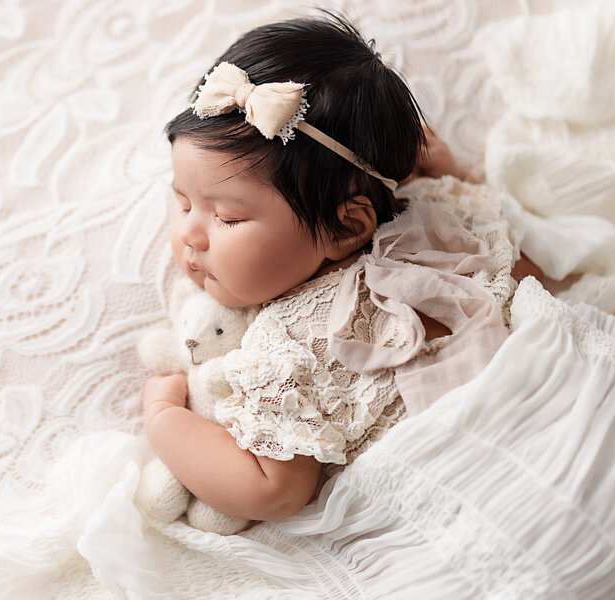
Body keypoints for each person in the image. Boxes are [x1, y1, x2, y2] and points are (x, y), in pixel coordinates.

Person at [140, 13, 520, 525]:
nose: (190, 233)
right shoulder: (439, 215)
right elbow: (504, 246)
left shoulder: (293, 340)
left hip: (479, 481)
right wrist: (440, 165)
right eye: (182, 202)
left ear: (347, 228)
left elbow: (271, 489)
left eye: (226, 216)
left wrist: (164, 419)